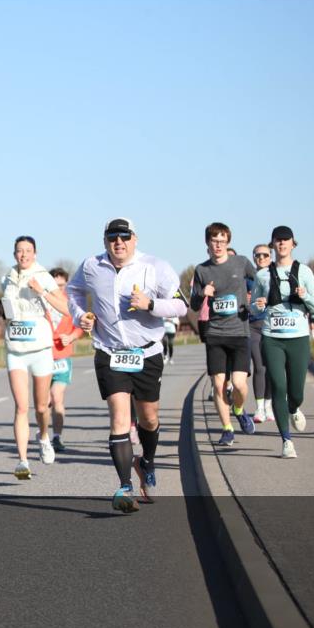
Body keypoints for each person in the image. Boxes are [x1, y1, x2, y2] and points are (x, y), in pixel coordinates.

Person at [67, 218, 186, 512]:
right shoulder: (91, 266)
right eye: (112, 237)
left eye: (124, 236)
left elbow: (181, 305)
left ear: (134, 238)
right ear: (105, 241)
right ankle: (124, 487)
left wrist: (150, 305)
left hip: (147, 353)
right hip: (110, 353)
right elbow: (73, 291)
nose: (118, 242)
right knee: (120, 419)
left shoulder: (156, 267)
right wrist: (80, 315)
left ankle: (147, 461)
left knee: (149, 419)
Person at [250, 226, 314, 458]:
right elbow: (253, 308)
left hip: (298, 337)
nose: (281, 243)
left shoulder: (305, 271)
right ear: (272, 244)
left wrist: (305, 295)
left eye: (286, 240)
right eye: (277, 240)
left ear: (293, 243)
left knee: (296, 392)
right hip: (272, 337)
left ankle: (294, 408)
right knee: (279, 387)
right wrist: (258, 306)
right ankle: (286, 441)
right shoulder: (262, 275)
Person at [189, 223, 258, 446]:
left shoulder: (241, 263)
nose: (218, 245)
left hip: (239, 332)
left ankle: (238, 409)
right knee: (219, 385)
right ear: (207, 243)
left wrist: (253, 299)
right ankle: (227, 429)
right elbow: (194, 305)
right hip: (215, 333)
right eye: (214, 241)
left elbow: (259, 282)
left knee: (239, 384)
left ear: (228, 242)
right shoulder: (202, 270)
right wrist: (203, 292)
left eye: (222, 241)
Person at [1, 236, 59, 478]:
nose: (23, 254)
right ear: (14, 254)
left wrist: (42, 291)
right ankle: (23, 461)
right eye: (19, 250)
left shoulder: (43, 276)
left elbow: (64, 307)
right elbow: (8, 312)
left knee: (42, 406)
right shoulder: (7, 278)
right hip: (15, 348)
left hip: (40, 349)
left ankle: (44, 437)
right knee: (21, 406)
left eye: (27, 250)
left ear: (35, 254)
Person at [47, 267, 84, 452]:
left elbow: (80, 326)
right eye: (55, 286)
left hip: (62, 357)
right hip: (43, 357)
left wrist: (71, 337)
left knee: (56, 396)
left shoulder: (71, 303)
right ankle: (43, 434)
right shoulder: (41, 301)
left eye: (61, 286)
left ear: (66, 285)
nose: (58, 290)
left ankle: (56, 437)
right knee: (43, 402)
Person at [249, 244, 275, 424]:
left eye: (265, 255)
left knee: (271, 367)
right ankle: (259, 408)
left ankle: (268, 405)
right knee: (259, 367)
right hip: (253, 325)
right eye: (257, 255)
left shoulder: (276, 275)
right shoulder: (248, 277)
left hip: (272, 325)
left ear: (270, 257)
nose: (261, 258)